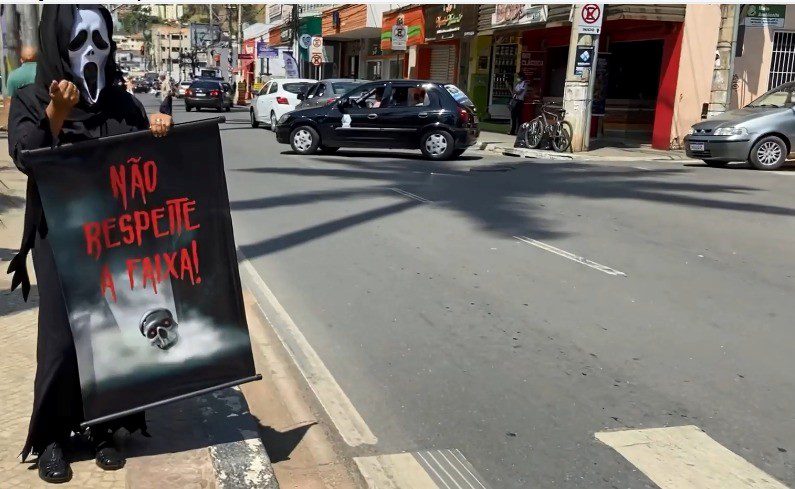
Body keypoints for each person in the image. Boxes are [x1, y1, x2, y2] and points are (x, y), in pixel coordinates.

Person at [6, 5, 172, 484]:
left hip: (114, 239)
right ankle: (52, 438)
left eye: (100, 40)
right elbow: (26, 157)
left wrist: (157, 133)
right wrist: (56, 116)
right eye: (79, 41)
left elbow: (145, 170)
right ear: (57, 46)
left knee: (111, 333)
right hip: (59, 239)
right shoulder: (30, 98)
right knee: (61, 340)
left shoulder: (122, 104)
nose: (92, 52)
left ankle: (103, 427)